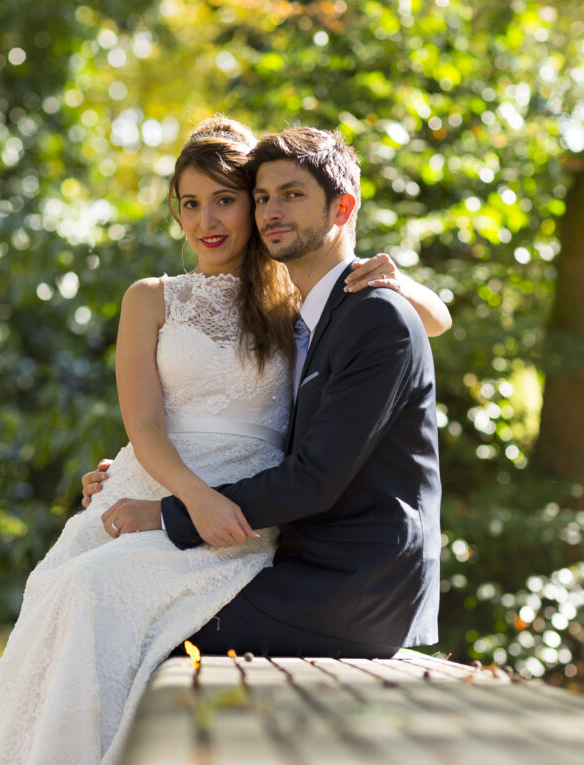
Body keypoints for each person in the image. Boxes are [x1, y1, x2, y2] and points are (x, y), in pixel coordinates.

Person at [0, 118, 448, 765]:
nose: (227, 217)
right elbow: (155, 417)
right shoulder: (197, 297)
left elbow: (395, 347)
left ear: (330, 207)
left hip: (271, 535)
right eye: (206, 202)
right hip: (201, 505)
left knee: (114, 620)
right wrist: (142, 487)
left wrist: (394, 272)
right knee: (62, 598)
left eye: (243, 197)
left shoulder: (306, 303)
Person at [85, 126, 442, 660]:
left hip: (351, 586)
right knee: (99, 595)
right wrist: (129, 477)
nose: (272, 210)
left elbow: (315, 478)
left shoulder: (372, 316)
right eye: (262, 198)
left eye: (291, 195)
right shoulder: (304, 315)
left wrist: (165, 513)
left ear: (341, 209)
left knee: (132, 616)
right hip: (293, 559)